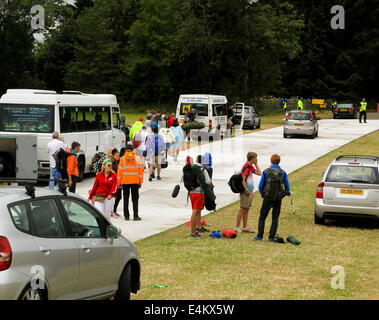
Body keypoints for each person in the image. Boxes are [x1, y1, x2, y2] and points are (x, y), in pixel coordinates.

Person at [253, 154, 290, 242]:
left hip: (267, 197)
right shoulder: (283, 173)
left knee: (262, 216)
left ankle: (259, 236)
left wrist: (263, 194)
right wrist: (281, 195)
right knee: (275, 218)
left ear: (271, 161)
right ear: (279, 161)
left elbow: (260, 186)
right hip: (278, 198)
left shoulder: (266, 172)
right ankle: (271, 237)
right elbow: (287, 188)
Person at [186, 156, 213, 238]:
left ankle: (198, 227)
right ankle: (193, 233)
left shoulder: (192, 168)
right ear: (203, 161)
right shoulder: (202, 169)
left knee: (197, 210)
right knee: (195, 212)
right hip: (199, 192)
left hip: (191, 192)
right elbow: (208, 181)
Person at [235, 152, 262, 233]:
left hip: (250, 190)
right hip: (246, 191)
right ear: (252, 158)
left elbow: (259, 173)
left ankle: (245, 227)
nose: (256, 159)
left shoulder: (250, 167)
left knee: (246, 209)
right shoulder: (246, 167)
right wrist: (246, 189)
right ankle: (237, 227)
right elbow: (242, 180)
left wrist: (256, 164)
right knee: (242, 208)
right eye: (256, 158)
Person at [117, 143, 144, 221]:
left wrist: (119, 182)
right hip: (135, 182)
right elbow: (140, 171)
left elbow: (119, 172)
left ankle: (127, 216)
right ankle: (135, 216)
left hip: (125, 182)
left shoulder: (122, 159)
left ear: (126, 150)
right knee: (135, 199)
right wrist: (140, 182)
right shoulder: (137, 158)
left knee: (126, 199)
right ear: (133, 150)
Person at [110, 148, 122, 217]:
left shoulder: (118, 162)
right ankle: (111, 211)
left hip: (119, 182)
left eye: (119, 155)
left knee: (119, 197)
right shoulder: (111, 163)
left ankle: (115, 210)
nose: (118, 157)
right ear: (113, 156)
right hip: (114, 183)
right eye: (117, 155)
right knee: (114, 197)